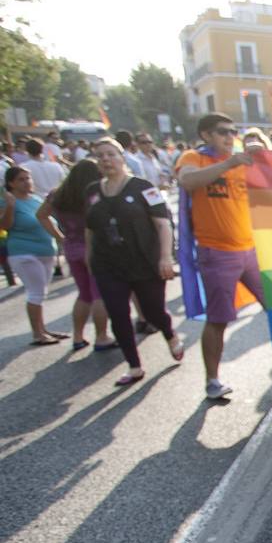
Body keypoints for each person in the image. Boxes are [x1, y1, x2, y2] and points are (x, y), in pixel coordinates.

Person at [176, 112, 263, 399]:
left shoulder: (242, 163)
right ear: (206, 135)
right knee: (219, 319)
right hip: (217, 253)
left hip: (250, 250)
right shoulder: (194, 158)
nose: (230, 137)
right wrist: (229, 163)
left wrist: (266, 162)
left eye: (233, 131)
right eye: (223, 131)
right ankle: (212, 380)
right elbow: (187, 182)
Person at [85, 138, 184, 385]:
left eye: (111, 154)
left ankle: (170, 334)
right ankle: (134, 366)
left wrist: (165, 257)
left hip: (144, 262)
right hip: (108, 265)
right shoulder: (92, 192)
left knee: (153, 312)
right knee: (118, 314)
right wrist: (90, 261)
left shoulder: (143, 187)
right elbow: (90, 230)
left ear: (122, 158)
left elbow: (163, 224)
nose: (106, 160)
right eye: (101, 156)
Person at [39, 158, 113, 350]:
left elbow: (41, 215)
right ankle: (102, 336)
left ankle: (78, 337)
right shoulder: (95, 195)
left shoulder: (58, 195)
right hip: (95, 248)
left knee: (84, 294)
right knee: (99, 294)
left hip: (71, 247)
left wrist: (59, 236)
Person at [1, 165, 68, 343]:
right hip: (23, 252)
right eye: (21, 180)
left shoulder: (36, 199)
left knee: (41, 292)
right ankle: (38, 333)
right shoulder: (8, 201)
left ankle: (43, 329)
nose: (26, 182)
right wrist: (9, 206)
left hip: (45, 251)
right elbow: (5, 226)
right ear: (11, 183)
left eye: (28, 178)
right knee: (36, 292)